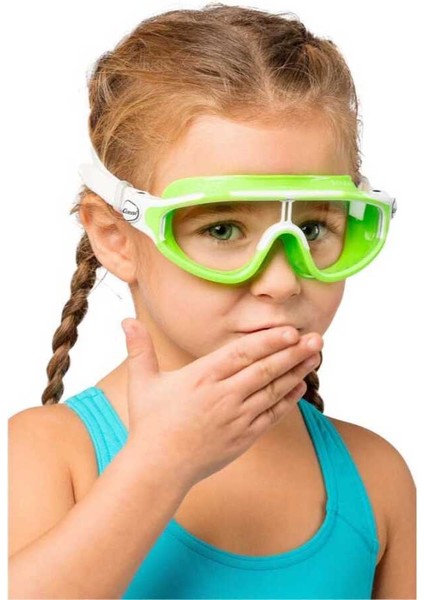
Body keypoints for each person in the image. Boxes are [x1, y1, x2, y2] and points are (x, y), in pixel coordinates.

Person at [8, 4, 416, 599]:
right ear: (116, 237)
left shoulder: (377, 478)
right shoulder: (42, 454)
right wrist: (159, 466)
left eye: (311, 229)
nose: (282, 280)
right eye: (222, 230)